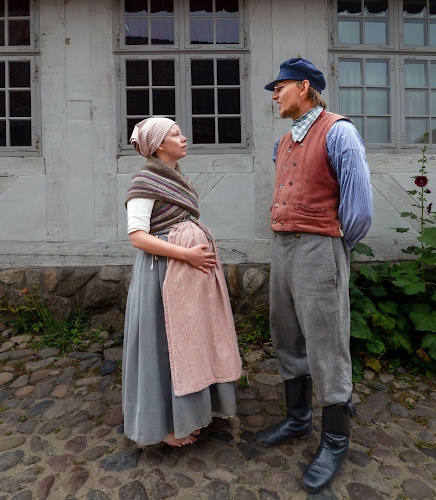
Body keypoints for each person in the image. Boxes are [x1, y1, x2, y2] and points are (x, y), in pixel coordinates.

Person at [255, 58, 372, 493]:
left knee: (327, 343)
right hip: (283, 246)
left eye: (280, 87)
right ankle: (298, 419)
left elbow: (359, 208)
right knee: (285, 333)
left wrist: (333, 247)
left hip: (319, 247)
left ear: (304, 87)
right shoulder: (284, 141)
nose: (274, 95)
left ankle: (336, 440)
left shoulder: (339, 131)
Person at [122, 117, 242, 448]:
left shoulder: (180, 179)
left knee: (194, 339)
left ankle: (197, 411)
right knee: (164, 346)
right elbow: (137, 237)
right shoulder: (144, 182)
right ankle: (163, 426)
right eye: (175, 134)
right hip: (161, 274)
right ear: (160, 144)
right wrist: (186, 254)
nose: (184, 137)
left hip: (188, 273)